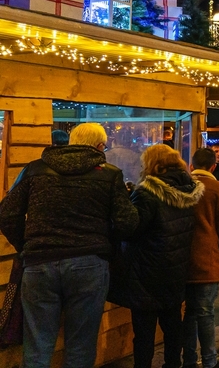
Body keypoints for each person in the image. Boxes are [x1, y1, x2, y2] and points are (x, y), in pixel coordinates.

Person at [0, 123, 138, 368]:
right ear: (98, 146)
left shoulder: (34, 169)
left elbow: (7, 214)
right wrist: (104, 241)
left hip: (39, 262)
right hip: (89, 263)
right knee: (81, 347)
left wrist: (27, 243)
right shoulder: (110, 174)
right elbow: (127, 222)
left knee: (37, 346)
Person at [108, 144, 204, 368]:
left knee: (144, 332)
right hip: (175, 270)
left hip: (146, 272)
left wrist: (125, 201)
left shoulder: (147, 193)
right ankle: (173, 364)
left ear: (153, 164)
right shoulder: (188, 190)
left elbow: (132, 229)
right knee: (172, 327)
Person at [184, 148, 219, 368]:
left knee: (188, 313)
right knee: (206, 312)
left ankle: (188, 359)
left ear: (191, 166)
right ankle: (209, 360)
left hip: (182, 259)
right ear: (213, 167)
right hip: (209, 260)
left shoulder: (181, 188)